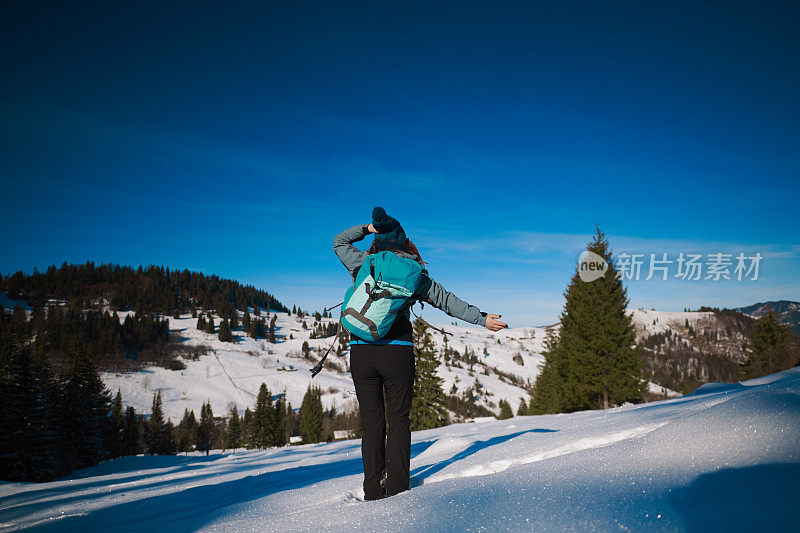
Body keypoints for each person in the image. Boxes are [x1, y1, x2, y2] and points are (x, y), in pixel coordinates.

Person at [333, 207, 507, 500]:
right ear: (407, 245)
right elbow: (448, 302)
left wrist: (368, 229)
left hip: (361, 351)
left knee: (372, 420)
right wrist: (483, 318)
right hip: (397, 352)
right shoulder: (415, 275)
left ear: (379, 244)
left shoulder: (364, 262)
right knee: (399, 418)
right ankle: (399, 488)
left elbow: (339, 241)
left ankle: (373, 489)